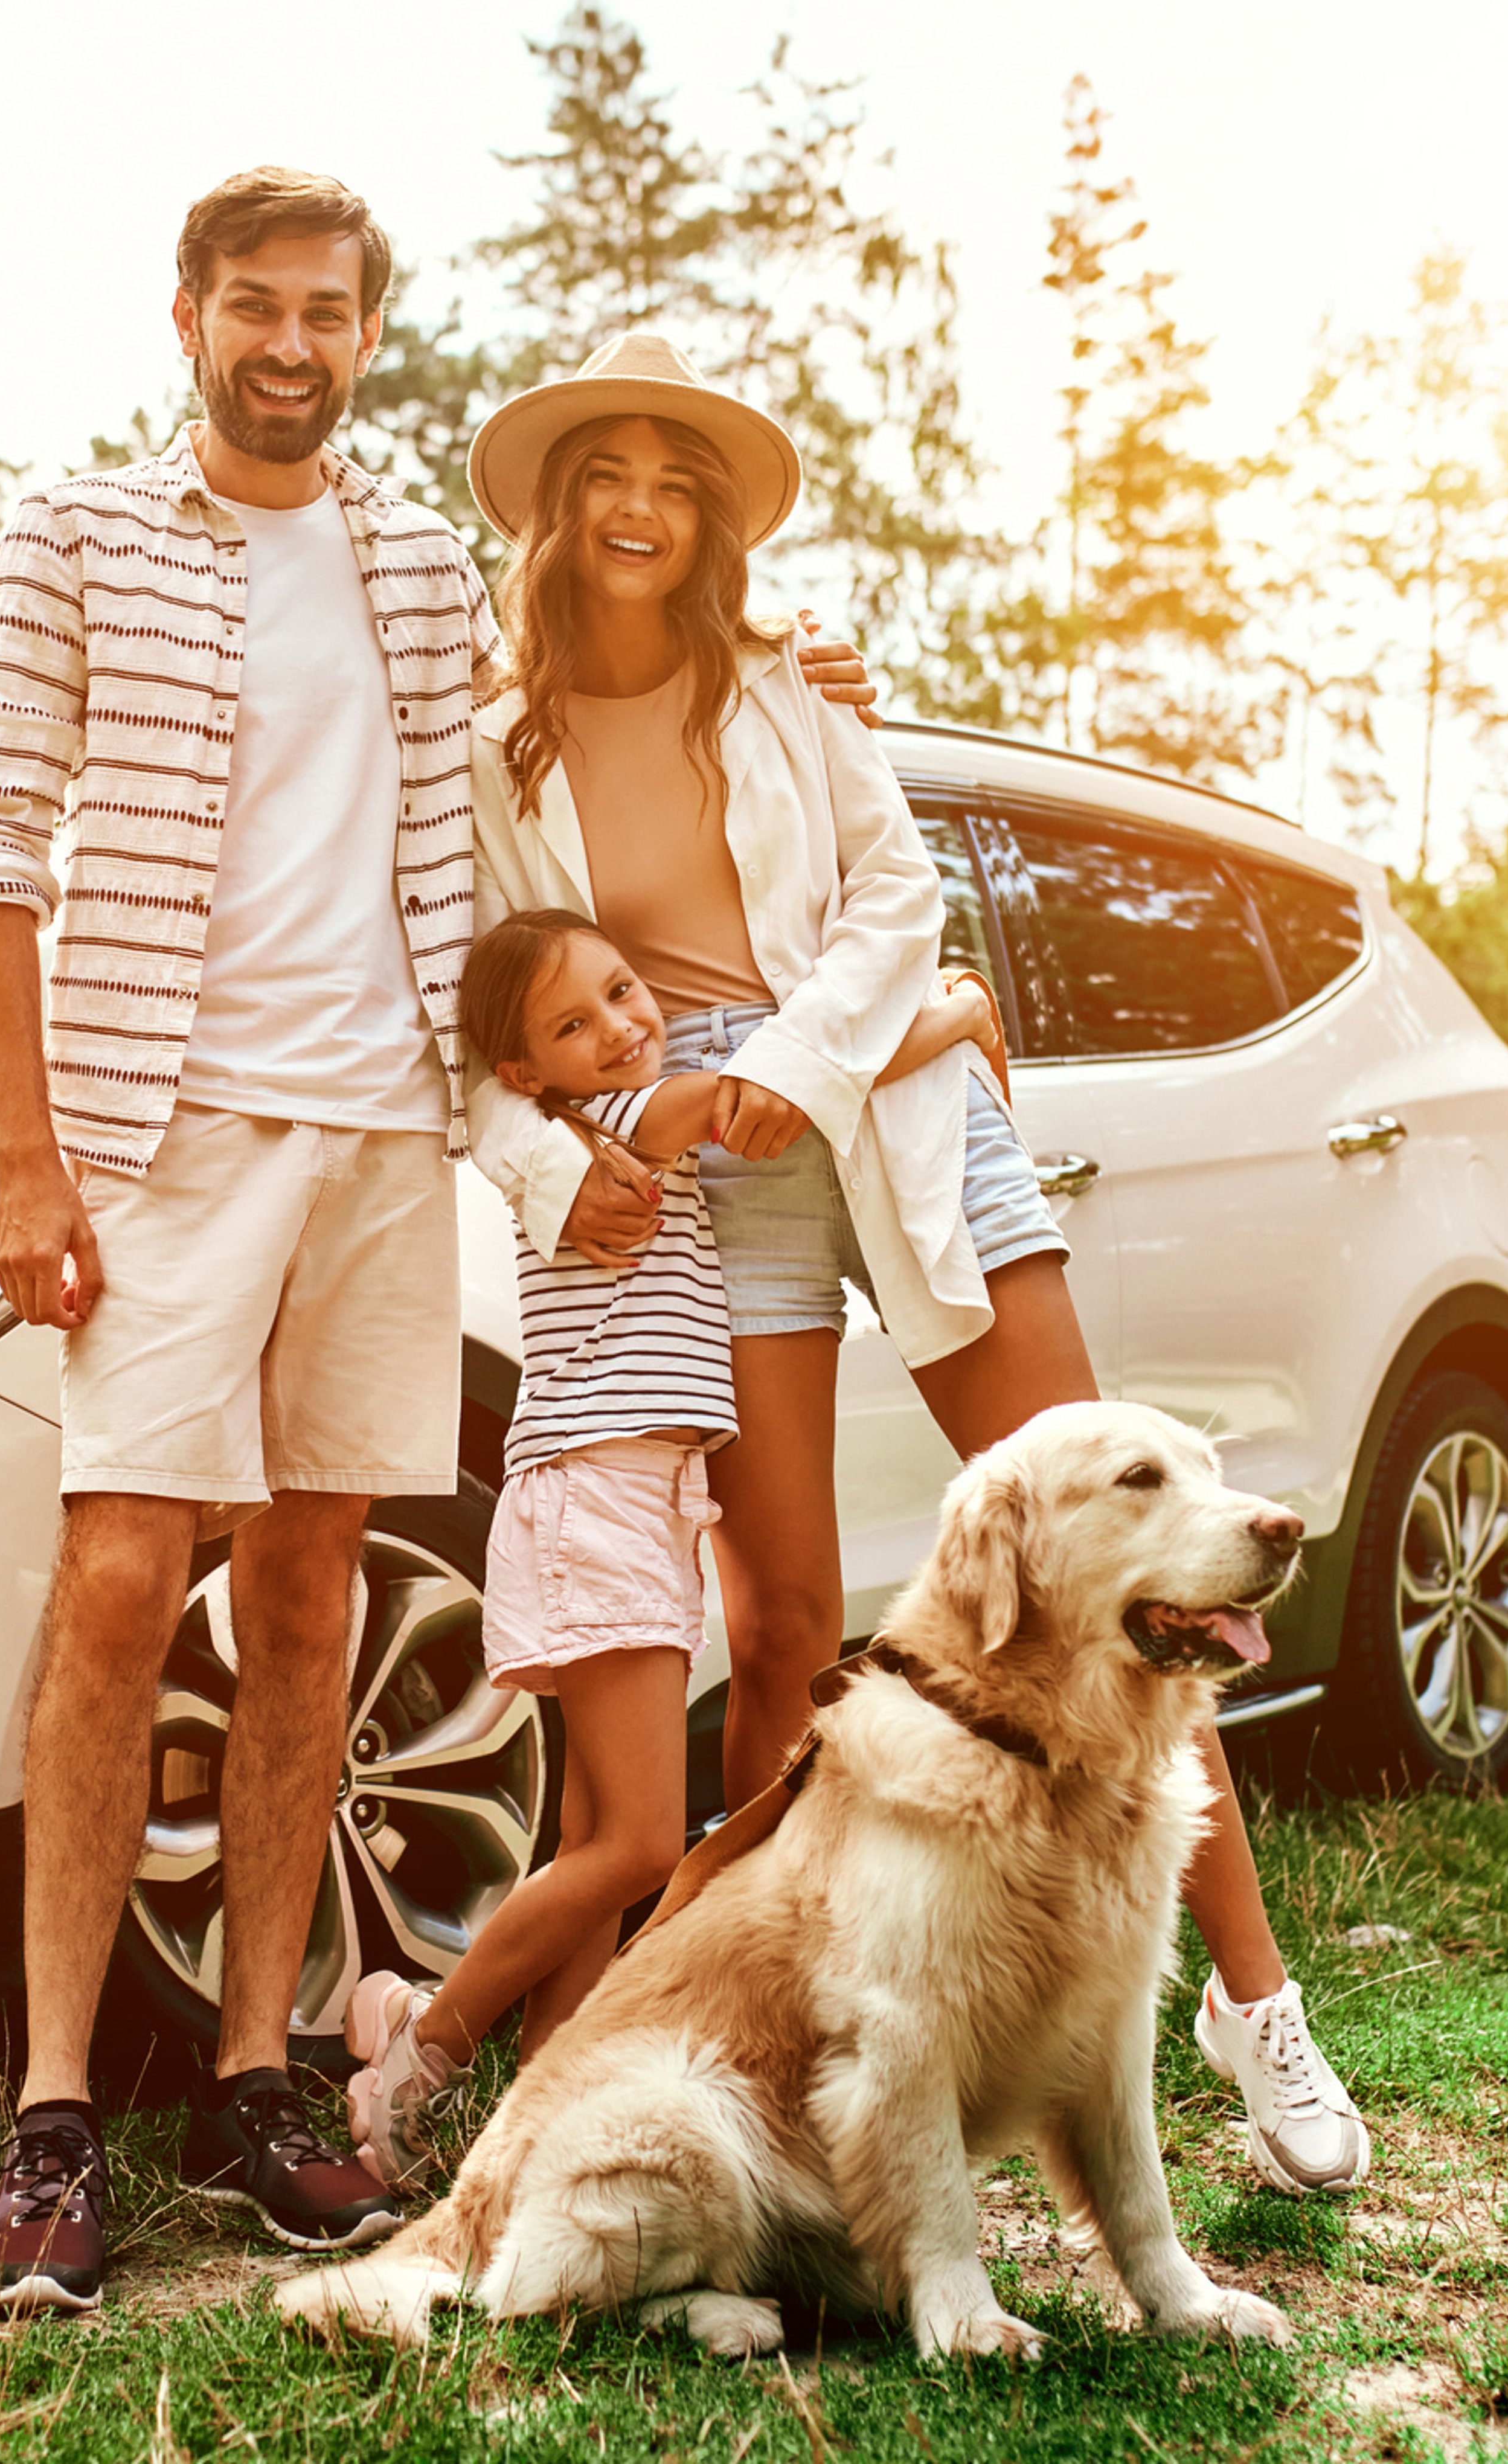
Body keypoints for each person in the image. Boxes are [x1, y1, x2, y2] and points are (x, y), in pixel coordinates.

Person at [0, 173, 879, 2311]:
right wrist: (26, 1160)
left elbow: (557, 744)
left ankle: (262, 2074)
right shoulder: (70, 538)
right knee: (113, 1579)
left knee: (310, 1595)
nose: (291, 343)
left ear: (370, 336)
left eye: (328, 313)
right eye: (253, 307)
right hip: (162, 1135)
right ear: (187, 316)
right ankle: (55, 2111)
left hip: (380, 1137)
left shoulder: (417, 558)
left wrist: (802, 673)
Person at [460, 332, 1373, 2199]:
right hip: (712, 1168)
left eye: (674, 479)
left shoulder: (793, 680)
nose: (640, 507)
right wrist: (584, 1155)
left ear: (710, 516)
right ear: (558, 508)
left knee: (1126, 1551)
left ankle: (1255, 2009)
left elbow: (895, 899)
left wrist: (794, 1064)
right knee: (788, 1630)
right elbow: (471, 1010)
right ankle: (767, 2028)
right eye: (607, 475)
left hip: (888, 1106)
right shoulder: (491, 742)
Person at [340, 909, 1005, 2187]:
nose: (621, 1028)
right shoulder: (625, 1124)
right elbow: (777, 1092)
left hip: (626, 1498)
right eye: (574, 1024)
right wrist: (955, 1017)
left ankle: (533, 2121)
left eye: (625, 992)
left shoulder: (607, 1118)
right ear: (524, 1078)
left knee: (593, 1840)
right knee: (640, 1847)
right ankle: (422, 2045)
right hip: (600, 1498)